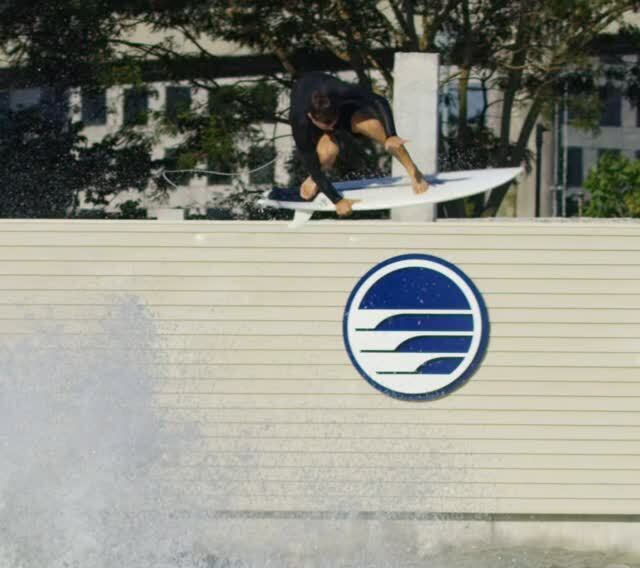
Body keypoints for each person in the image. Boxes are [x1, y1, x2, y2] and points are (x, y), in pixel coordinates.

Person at [289, 71, 429, 217]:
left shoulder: (339, 91)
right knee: (327, 154)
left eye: (332, 122)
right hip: (313, 123)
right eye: (326, 124)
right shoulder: (300, 123)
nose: (331, 127)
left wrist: (391, 135)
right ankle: (314, 179)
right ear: (311, 117)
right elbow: (310, 161)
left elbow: (379, 100)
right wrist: (337, 200)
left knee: (373, 127)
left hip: (342, 109)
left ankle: (413, 170)